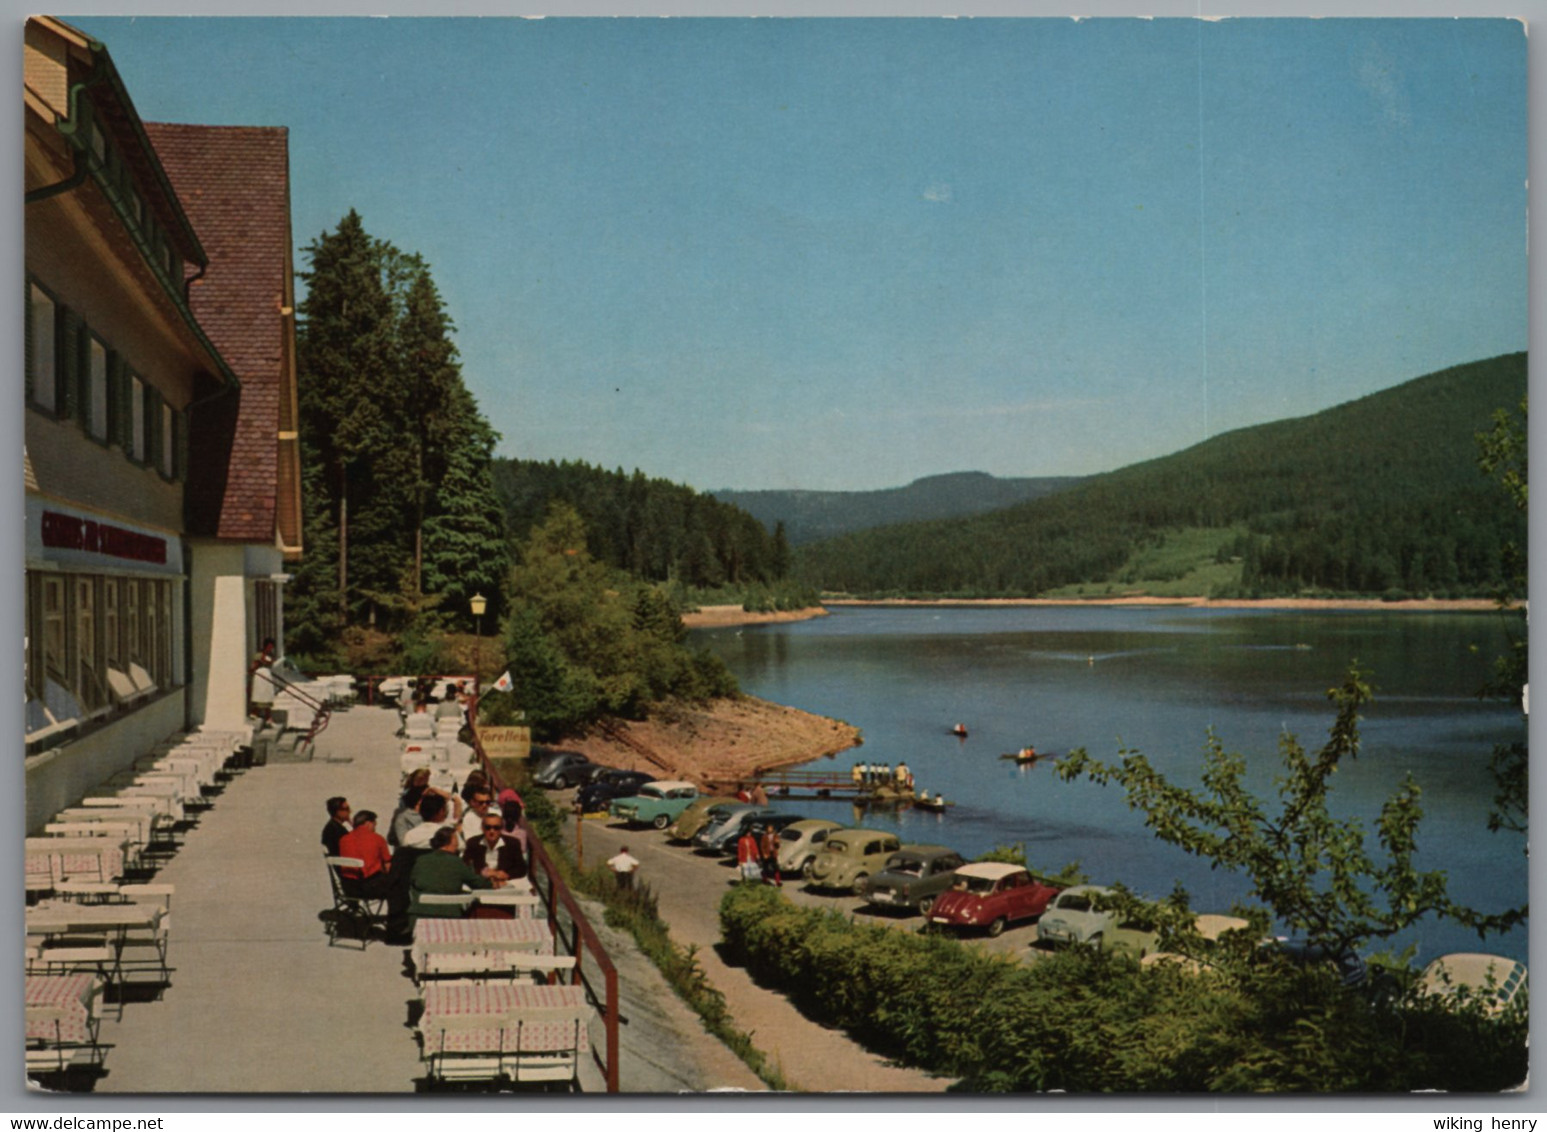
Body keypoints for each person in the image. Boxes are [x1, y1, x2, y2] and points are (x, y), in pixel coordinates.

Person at [409, 827, 499, 921]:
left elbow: (414, 883)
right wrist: (492, 881)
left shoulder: (421, 860)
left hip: (419, 915)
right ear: (451, 842)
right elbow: (477, 884)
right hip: (448, 916)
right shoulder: (456, 862)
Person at [337, 810, 392, 899]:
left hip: (348, 888)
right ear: (368, 823)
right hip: (370, 888)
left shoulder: (343, 840)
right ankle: (397, 912)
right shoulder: (377, 839)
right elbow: (387, 865)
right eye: (374, 825)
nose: (374, 828)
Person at [463, 812, 527, 881]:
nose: (492, 831)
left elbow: (521, 868)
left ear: (501, 829)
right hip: (481, 882)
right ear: (482, 828)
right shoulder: (473, 843)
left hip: (505, 881)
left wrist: (507, 874)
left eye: (496, 828)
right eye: (488, 827)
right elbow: (465, 866)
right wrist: (484, 873)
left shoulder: (512, 843)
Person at [249, 638, 277, 725]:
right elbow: (253, 666)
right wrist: (253, 668)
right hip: (260, 675)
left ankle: (268, 716)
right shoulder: (259, 655)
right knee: (259, 693)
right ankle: (255, 712)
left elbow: (271, 663)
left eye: (272, 647)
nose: (270, 648)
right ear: (265, 646)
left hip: (267, 674)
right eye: (269, 646)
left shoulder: (271, 656)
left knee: (267, 694)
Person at [758, 823, 782, 887]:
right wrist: (764, 854)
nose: (770, 829)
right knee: (765, 867)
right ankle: (765, 880)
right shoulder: (764, 836)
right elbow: (762, 846)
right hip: (767, 853)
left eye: (771, 828)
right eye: (769, 828)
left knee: (776, 868)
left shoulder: (775, 836)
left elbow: (778, 846)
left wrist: (777, 843)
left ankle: (778, 881)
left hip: (773, 853)